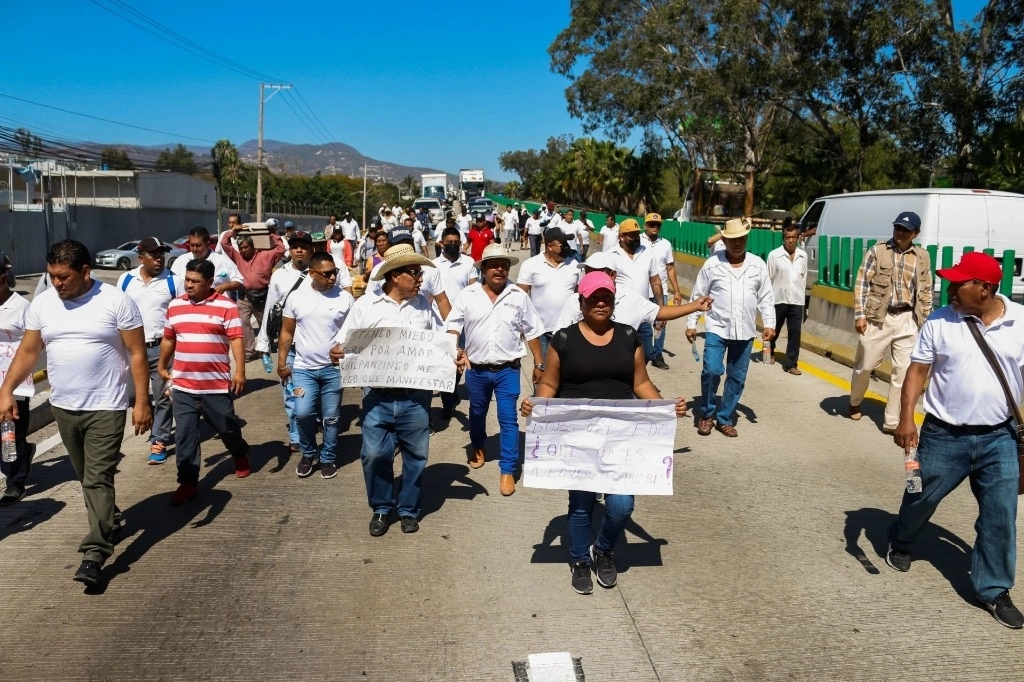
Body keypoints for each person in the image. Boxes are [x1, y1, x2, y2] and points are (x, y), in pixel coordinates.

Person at [521, 271, 688, 595]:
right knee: (581, 505)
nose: (600, 303)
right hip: (576, 438)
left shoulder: (628, 337)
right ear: (581, 303)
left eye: (606, 298)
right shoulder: (564, 339)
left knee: (622, 505)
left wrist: (666, 406)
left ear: (613, 302)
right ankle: (580, 560)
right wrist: (536, 404)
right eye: (593, 298)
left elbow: (640, 382)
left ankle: (604, 549)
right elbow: (550, 383)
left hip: (620, 437)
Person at [0, 240, 151, 588]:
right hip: (63, 406)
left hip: (106, 406)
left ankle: (95, 551)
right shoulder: (43, 303)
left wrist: (142, 401)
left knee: (97, 478)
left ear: (85, 272)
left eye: (63, 277)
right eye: (51, 276)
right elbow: (29, 350)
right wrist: (6, 390)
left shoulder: (116, 301)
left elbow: (137, 354)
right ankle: (109, 517)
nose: (57, 283)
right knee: (86, 476)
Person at [888, 252, 1024, 629]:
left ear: (985, 288)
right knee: (919, 495)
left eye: (959, 282)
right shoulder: (939, 321)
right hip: (942, 435)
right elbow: (917, 371)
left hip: (999, 437)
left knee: (1000, 514)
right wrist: (906, 418)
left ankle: (993, 589)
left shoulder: (1020, 321)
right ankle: (902, 540)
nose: (949, 288)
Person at [331, 244, 456, 537]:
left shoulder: (423, 306)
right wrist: (337, 352)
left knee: (416, 457)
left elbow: (438, 342)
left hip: (416, 398)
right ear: (395, 275)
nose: (421, 279)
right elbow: (343, 343)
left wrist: (455, 353)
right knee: (374, 455)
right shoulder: (365, 306)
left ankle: (409, 509)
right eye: (415, 273)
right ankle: (382, 507)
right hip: (377, 397)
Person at [448, 244, 543, 496]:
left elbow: (532, 331)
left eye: (504, 265)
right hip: (476, 370)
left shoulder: (518, 296)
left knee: (508, 419)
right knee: (477, 413)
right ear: (484, 269)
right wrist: (455, 348)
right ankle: (478, 446)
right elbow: (453, 325)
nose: (499, 269)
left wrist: (539, 363)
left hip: (507, 371)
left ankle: (508, 469)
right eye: (494, 265)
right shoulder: (468, 295)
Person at [159, 259, 250, 506]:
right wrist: (162, 365)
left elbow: (236, 340)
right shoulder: (175, 305)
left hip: (215, 385)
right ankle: (187, 483)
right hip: (183, 385)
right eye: (187, 280)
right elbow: (168, 339)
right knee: (185, 435)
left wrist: (240, 372)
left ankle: (240, 452)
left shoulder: (226, 306)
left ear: (210, 282)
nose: (189, 285)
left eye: (195, 281)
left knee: (227, 428)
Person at [686, 218, 775, 438]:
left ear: (747, 238)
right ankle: (707, 414)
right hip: (717, 328)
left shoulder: (757, 265)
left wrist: (769, 324)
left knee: (737, 377)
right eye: (733, 239)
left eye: (742, 239)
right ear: (724, 240)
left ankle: (724, 418)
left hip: (745, 331)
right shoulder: (712, 264)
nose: (737, 243)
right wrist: (692, 323)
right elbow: (699, 295)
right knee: (712, 370)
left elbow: (766, 297)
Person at [850, 211, 933, 433]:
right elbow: (862, 284)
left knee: (903, 372)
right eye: (897, 228)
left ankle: (892, 421)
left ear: (916, 233)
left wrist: (925, 320)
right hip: (879, 317)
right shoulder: (878, 251)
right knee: (865, 365)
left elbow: (926, 290)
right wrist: (860, 315)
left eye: (906, 230)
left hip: (908, 318)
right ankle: (855, 400)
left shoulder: (922, 257)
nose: (900, 233)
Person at [277, 252, 354, 480]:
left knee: (331, 417)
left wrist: (346, 352)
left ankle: (328, 457)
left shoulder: (345, 298)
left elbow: (354, 332)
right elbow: (286, 332)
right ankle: (308, 453)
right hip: (303, 369)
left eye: (335, 273)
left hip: (334, 370)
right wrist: (282, 363)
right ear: (312, 273)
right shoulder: (296, 298)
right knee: (302, 413)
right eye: (327, 274)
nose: (333, 277)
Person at [116, 237, 185, 463]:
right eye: (154, 254)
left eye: (161, 254)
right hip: (130, 350)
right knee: (132, 397)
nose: (159, 258)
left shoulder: (173, 281)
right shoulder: (126, 280)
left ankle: (159, 440)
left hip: (161, 349)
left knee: (164, 396)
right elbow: (115, 313)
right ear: (140, 257)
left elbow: (183, 315)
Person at [554, 251, 712, 334]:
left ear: (613, 275)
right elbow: (559, 338)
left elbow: (659, 312)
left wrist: (694, 306)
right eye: (587, 272)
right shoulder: (575, 300)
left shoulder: (630, 298)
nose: (590, 277)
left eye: (597, 272)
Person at [257, 230, 315, 452]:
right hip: (288, 345)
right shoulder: (279, 276)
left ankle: (310, 426)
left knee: (312, 394)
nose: (299, 250)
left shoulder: (320, 272)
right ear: (290, 250)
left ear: (311, 250)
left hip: (314, 345)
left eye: (304, 246)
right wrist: (263, 343)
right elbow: (270, 308)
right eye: (295, 246)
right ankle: (296, 435)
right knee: (290, 392)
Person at [219, 222, 286, 361]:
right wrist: (233, 231)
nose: (243, 251)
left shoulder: (266, 255)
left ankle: (266, 345)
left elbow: (281, 249)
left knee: (264, 323)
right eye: (241, 248)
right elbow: (225, 243)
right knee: (243, 321)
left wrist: (272, 233)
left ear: (253, 246)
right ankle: (250, 351)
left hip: (262, 296)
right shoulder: (238, 257)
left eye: (246, 247)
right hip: (244, 296)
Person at [433, 227, 478, 420]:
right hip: (440, 322)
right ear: (441, 243)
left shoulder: (468, 262)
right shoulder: (433, 265)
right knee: (444, 363)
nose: (452, 245)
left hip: (463, 322)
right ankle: (447, 401)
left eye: (456, 242)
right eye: (448, 242)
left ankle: (452, 389)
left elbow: (474, 289)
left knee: (458, 362)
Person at [516, 228, 581, 359]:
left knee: (567, 368)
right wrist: (520, 324)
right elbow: (520, 296)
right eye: (562, 244)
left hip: (568, 329)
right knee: (544, 367)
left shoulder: (574, 264)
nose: (567, 247)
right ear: (550, 246)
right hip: (540, 330)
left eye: (567, 243)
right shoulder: (530, 265)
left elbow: (580, 295)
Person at [0, 256, 34, 506]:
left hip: (13, 385)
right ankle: (22, 456)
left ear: (3, 280)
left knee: (9, 435)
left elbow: (34, 344)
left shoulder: (22, 307)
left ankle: (15, 482)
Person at [607, 219, 663, 364]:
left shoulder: (647, 252)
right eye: (632, 235)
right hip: (621, 315)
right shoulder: (610, 255)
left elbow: (655, 281)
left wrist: (661, 308)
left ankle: (636, 375)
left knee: (647, 353)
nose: (637, 238)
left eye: (637, 234)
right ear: (621, 237)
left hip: (643, 313)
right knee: (621, 354)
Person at [641, 212, 683, 370]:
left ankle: (657, 355)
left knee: (661, 324)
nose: (655, 227)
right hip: (643, 290)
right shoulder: (638, 241)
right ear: (645, 225)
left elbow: (670, 268)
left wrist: (677, 291)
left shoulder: (666, 244)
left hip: (661, 291)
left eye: (658, 225)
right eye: (652, 224)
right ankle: (641, 352)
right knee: (642, 324)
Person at [766, 219, 808, 375]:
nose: (790, 241)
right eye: (787, 237)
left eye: (793, 237)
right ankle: (767, 353)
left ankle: (791, 364)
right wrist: (767, 302)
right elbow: (768, 279)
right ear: (783, 238)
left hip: (797, 300)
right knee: (773, 329)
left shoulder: (803, 256)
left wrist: (803, 300)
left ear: (797, 238)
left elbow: (803, 278)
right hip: (778, 298)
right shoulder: (774, 255)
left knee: (795, 333)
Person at [171, 226, 243, 298]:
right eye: (192, 245)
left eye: (198, 245)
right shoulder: (180, 261)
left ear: (208, 244)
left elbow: (239, 281)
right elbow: (171, 283)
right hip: (186, 304)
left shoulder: (222, 261)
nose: (195, 249)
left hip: (215, 303)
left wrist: (224, 287)